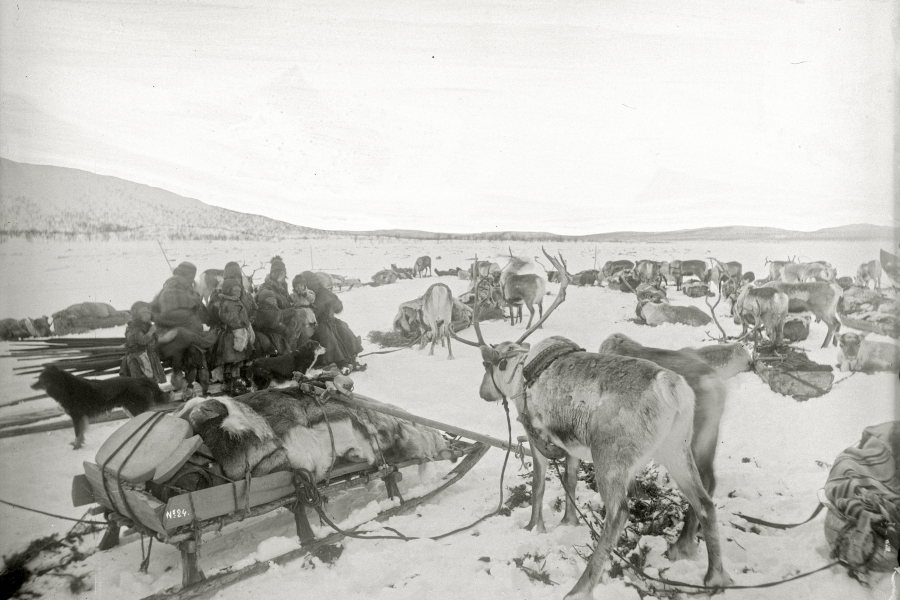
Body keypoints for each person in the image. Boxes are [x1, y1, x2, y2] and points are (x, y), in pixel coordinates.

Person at [301, 270, 365, 374]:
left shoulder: (322, 293)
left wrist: (333, 305)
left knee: (342, 329)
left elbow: (338, 308)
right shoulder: (306, 295)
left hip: (327, 322)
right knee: (329, 334)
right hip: (319, 324)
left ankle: (348, 360)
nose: (315, 284)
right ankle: (343, 362)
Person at [217, 278, 253, 395]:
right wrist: (241, 327)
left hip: (238, 333)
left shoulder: (234, 301)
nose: (238, 291)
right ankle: (235, 385)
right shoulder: (229, 303)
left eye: (239, 289)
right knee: (235, 360)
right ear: (229, 290)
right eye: (235, 289)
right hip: (234, 335)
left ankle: (229, 383)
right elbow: (230, 319)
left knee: (234, 361)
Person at [120, 301, 166, 384]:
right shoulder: (134, 327)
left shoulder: (147, 326)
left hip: (149, 356)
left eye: (148, 312)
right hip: (138, 358)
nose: (147, 315)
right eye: (143, 312)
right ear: (136, 314)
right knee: (141, 383)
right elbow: (142, 341)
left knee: (152, 382)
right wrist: (151, 332)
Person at [289, 274, 318, 346]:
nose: (299, 288)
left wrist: (305, 294)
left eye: (301, 285)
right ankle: (297, 337)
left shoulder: (309, 292)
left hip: (307, 312)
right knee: (296, 326)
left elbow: (312, 299)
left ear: (304, 286)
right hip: (297, 312)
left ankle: (309, 337)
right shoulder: (293, 295)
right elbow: (290, 303)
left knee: (308, 326)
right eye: (297, 286)